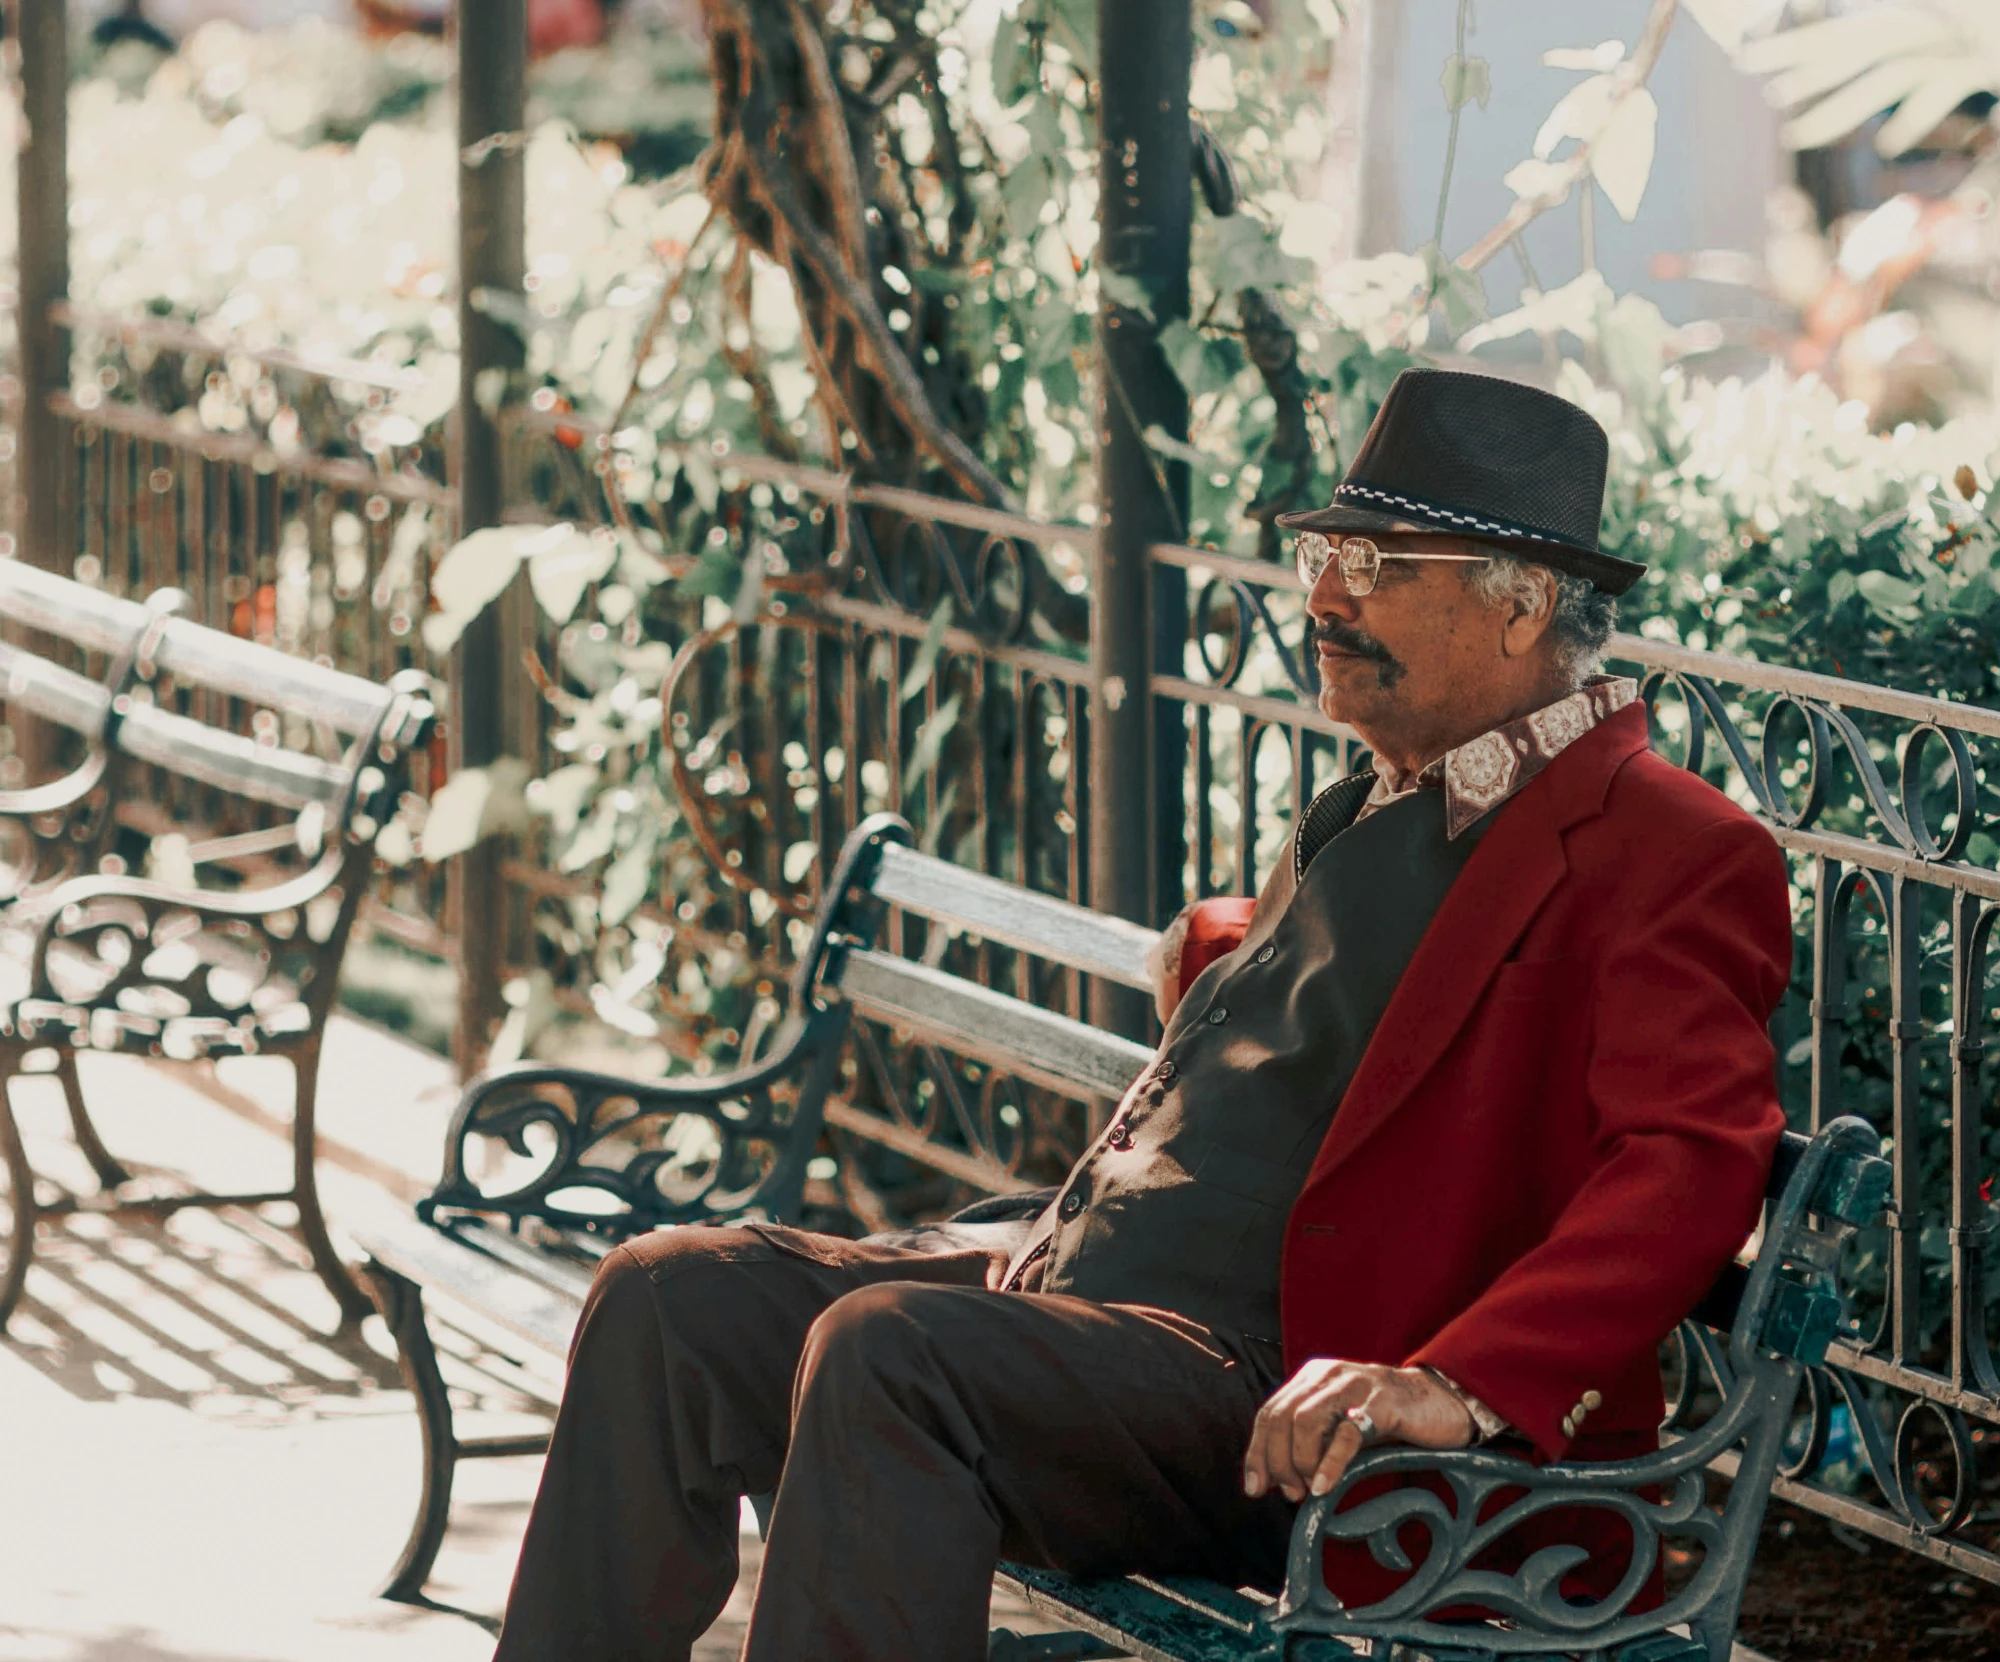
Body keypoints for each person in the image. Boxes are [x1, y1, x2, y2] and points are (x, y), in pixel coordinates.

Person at [490, 368, 1792, 1662]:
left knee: (894, 1354)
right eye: (1329, 552)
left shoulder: (1668, 844)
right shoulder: (1389, 792)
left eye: (1381, 561)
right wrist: (1232, 947)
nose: (1326, 593)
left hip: (1304, 1394)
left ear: (1520, 611)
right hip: (1088, 1308)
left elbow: (1686, 1162)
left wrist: (1449, 1380)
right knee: (668, 1301)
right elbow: (1380, 996)